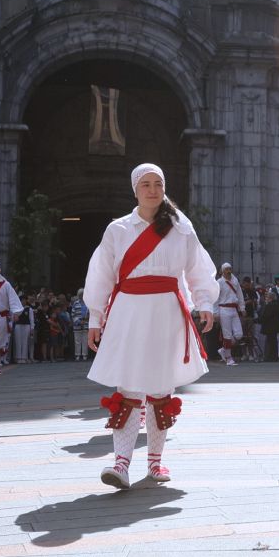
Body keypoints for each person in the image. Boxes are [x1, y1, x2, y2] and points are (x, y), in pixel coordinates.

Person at [84, 163, 216, 490]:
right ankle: (121, 462)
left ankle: (155, 462)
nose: (153, 189)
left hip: (167, 311)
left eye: (158, 183)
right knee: (128, 387)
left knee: (160, 389)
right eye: (146, 184)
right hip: (128, 310)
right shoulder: (118, 229)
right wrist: (95, 317)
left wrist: (204, 302)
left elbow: (197, 267)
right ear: (135, 189)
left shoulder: (180, 228)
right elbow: (101, 274)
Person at [0, 263, 24, 368]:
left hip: (2, 318)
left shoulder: (6, 285)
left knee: (0, 342)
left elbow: (12, 298)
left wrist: (15, 312)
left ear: (0, 271)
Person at [215, 263, 246, 365]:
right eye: (226, 269)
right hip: (223, 309)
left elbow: (240, 294)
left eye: (230, 269)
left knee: (239, 334)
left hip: (234, 309)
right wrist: (216, 313)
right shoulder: (219, 282)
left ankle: (224, 349)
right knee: (227, 335)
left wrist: (242, 307)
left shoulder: (235, 280)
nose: (229, 271)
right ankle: (229, 358)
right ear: (222, 271)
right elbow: (215, 299)